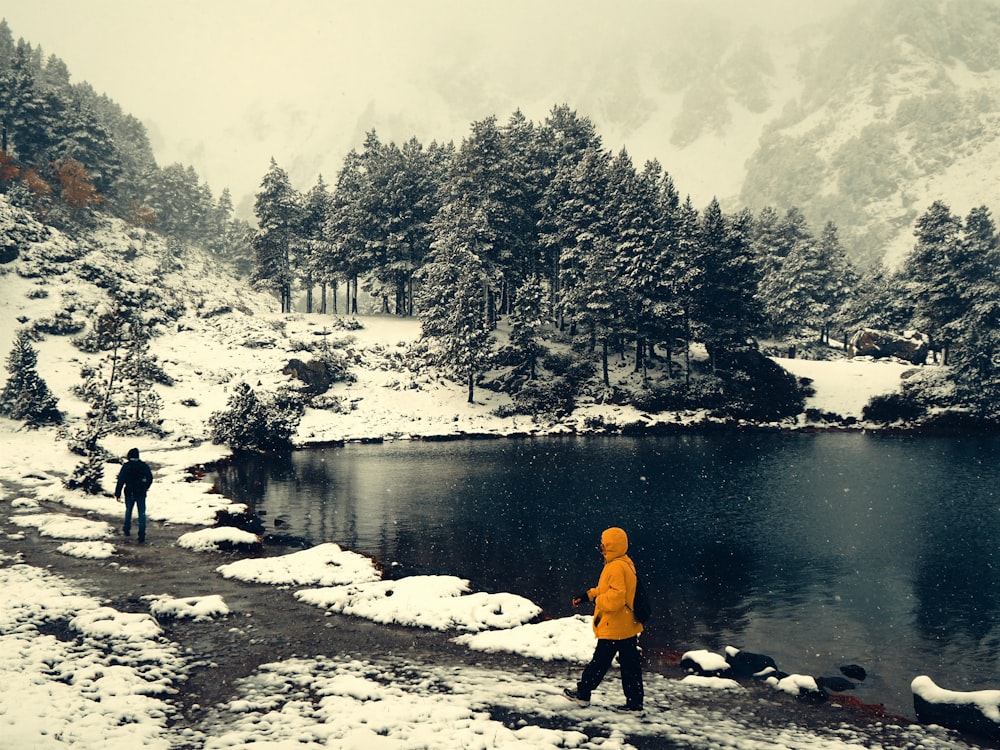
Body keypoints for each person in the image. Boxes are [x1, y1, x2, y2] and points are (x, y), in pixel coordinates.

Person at [564, 526, 644, 713]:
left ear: (613, 546)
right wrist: (588, 595)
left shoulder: (615, 566)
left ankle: (583, 694)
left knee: (600, 662)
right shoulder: (624, 562)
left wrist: (599, 601)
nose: (601, 548)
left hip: (614, 625)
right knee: (630, 665)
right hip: (626, 624)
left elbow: (616, 597)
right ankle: (635, 703)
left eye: (605, 545)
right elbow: (607, 588)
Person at [115, 447, 154, 543]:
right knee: (142, 513)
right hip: (141, 492)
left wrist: (117, 493)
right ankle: (141, 534)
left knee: (128, 511)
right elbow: (150, 478)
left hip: (129, 492)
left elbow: (121, 480)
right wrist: (145, 487)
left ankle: (126, 529)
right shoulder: (143, 466)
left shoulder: (126, 466)